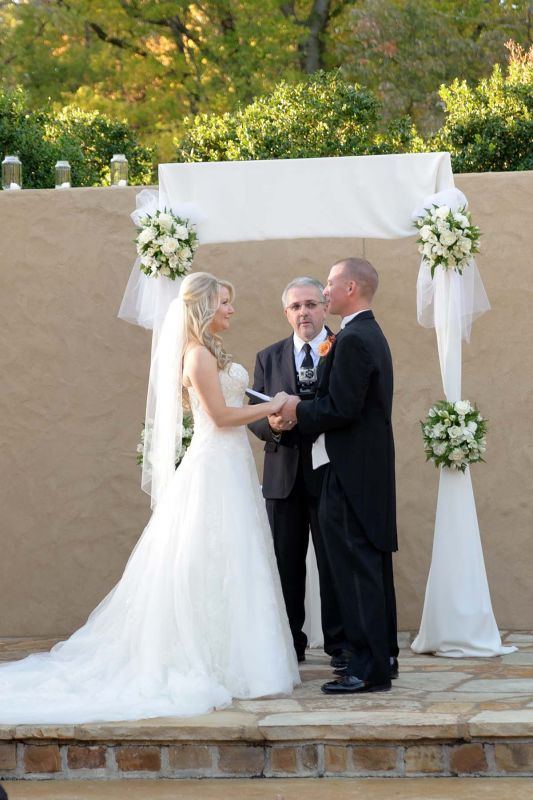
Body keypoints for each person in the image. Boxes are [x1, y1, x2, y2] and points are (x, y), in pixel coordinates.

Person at [0, 272, 300, 724]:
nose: (231, 310)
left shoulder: (213, 352)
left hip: (233, 465)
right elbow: (219, 416)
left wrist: (267, 413)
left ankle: (242, 659)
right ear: (202, 308)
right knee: (207, 557)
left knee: (236, 558)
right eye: (224, 303)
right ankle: (208, 658)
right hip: (213, 466)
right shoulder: (197, 355)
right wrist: (273, 405)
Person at [280, 258, 399, 694]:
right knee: (368, 566)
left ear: (351, 286)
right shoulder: (370, 333)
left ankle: (366, 669)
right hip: (365, 471)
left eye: (329, 284)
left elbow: (340, 409)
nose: (326, 292)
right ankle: (382, 658)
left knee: (354, 571)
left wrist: (298, 410)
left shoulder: (351, 339)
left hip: (348, 474)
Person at [248, 277, 345, 663]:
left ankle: (340, 645)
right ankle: (290, 644)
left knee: (333, 564)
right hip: (283, 476)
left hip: (331, 476)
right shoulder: (267, 357)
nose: (303, 312)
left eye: (310, 304)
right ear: (286, 313)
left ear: (324, 306)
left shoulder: (343, 349)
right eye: (295, 307)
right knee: (284, 565)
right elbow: (253, 414)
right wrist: (271, 425)